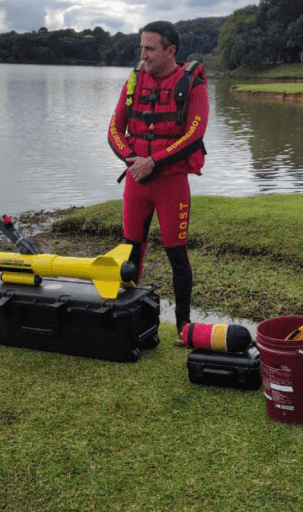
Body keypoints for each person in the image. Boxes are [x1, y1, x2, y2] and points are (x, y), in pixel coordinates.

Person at [107, 21, 209, 338]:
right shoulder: (134, 81)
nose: (143, 55)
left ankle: (183, 327)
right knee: (130, 250)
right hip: (136, 181)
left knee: (177, 256)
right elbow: (114, 129)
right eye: (142, 48)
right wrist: (132, 159)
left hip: (171, 184)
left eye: (150, 49)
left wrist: (153, 162)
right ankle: (129, 320)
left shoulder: (193, 84)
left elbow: (195, 135)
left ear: (170, 51)